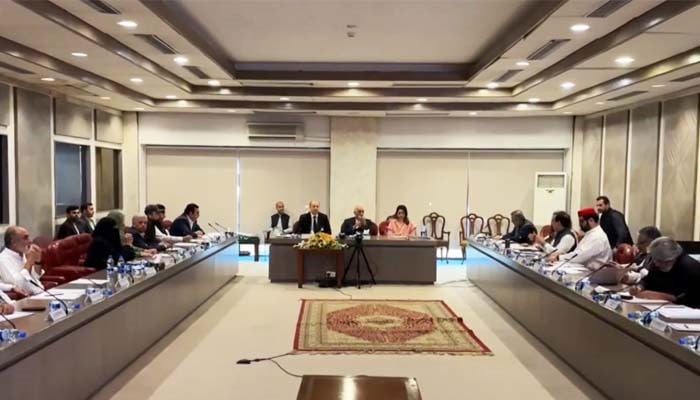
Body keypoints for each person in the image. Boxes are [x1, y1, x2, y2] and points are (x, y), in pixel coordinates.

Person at [629, 237, 700, 308]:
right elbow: (648, 280)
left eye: (659, 261)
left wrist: (660, 296)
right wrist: (640, 287)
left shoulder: (690, 268)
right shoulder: (657, 264)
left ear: (671, 259)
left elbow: (683, 298)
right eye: (654, 260)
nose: (656, 264)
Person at [0, 226, 45, 296]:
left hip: (40, 292)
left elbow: (35, 277)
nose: (30, 241)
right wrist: (30, 261)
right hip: (26, 298)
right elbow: (21, 284)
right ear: (13, 242)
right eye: (25, 238)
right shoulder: (3, 259)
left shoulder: (22, 253)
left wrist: (37, 262)